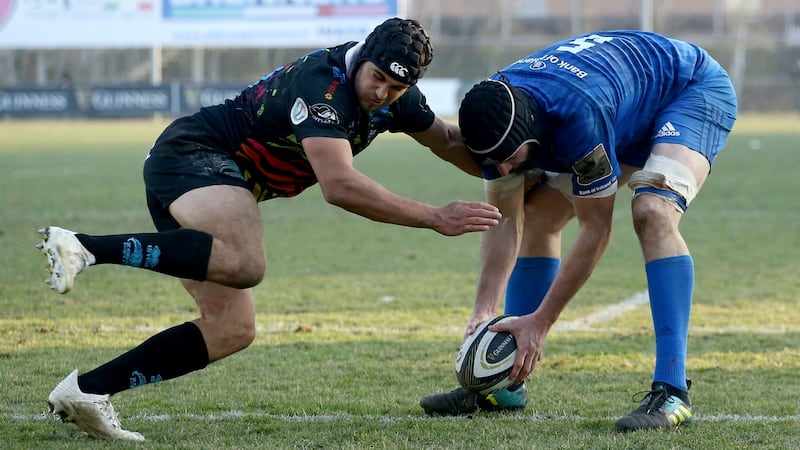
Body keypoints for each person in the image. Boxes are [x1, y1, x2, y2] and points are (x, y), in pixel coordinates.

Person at [37, 17, 501, 442]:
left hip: (210, 183)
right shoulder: (323, 85)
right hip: (194, 155)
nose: (382, 93)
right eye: (377, 78)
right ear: (363, 58)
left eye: (396, 88)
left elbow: (449, 141)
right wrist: (435, 217)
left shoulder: (395, 99)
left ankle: (86, 392)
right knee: (246, 262)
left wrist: (512, 168)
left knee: (232, 328)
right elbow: (338, 185)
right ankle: (84, 246)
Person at [419, 30, 737, 432]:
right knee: (538, 217)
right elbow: (506, 218)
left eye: (507, 159)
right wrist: (484, 309)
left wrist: (541, 321)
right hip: (620, 101)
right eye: (489, 161)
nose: (500, 169)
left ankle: (673, 391)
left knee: (652, 210)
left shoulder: (578, 121)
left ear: (531, 135)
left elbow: (595, 230)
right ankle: (507, 380)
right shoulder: (494, 118)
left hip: (688, 88)